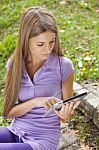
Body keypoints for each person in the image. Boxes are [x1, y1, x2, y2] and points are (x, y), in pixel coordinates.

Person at [0, 6, 80, 150]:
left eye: (52, 41)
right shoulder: (15, 65)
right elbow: (8, 112)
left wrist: (66, 114)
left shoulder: (63, 66)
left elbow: (66, 115)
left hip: (42, 140)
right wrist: (36, 101)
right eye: (40, 44)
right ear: (26, 41)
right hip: (16, 130)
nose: (48, 49)